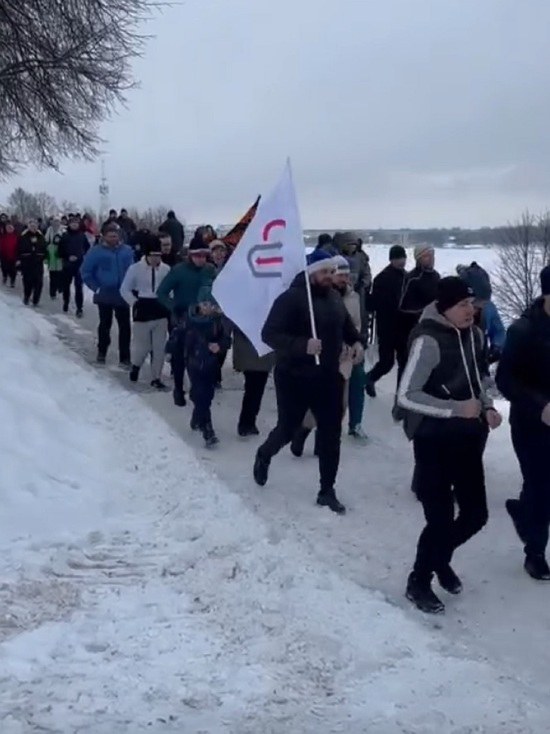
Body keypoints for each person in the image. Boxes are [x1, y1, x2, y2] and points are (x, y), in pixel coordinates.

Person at [397, 276, 502, 614]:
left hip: (469, 438)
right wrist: (456, 409)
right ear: (445, 308)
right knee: (440, 519)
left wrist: (485, 406)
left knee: (476, 515)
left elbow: (477, 378)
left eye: (472, 304)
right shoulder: (428, 340)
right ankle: (419, 579)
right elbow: (406, 396)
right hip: (434, 441)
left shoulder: (473, 335)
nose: (470, 310)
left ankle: (439, 558)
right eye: (462, 305)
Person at [252, 249, 363, 515]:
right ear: (311, 272)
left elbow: (349, 329)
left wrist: (357, 343)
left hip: (328, 376)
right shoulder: (291, 298)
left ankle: (327, 490)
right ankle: (265, 454)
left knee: (331, 433)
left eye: (331, 272)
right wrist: (303, 345)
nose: (329, 276)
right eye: (324, 272)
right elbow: (269, 333)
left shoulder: (335, 298)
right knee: (288, 428)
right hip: (294, 376)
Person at [496, 266, 550, 581]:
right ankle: (535, 554)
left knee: (540, 488)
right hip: (531, 422)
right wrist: (539, 405)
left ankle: (522, 510)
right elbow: (504, 378)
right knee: (541, 484)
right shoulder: (524, 330)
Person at [291, 254, 368, 457]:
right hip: (322, 359)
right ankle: (303, 431)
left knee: (338, 407)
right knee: (319, 405)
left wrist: (359, 344)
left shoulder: (354, 297)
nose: (344, 279)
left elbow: (358, 325)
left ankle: (323, 443)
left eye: (346, 275)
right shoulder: (316, 298)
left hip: (345, 360)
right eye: (339, 274)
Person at [156, 237, 215, 407]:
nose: (201, 259)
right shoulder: (178, 271)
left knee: (201, 357)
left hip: (204, 319)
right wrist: (174, 308)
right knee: (180, 356)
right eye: (198, 256)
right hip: (182, 318)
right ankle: (178, 388)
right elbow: (161, 293)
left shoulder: (210, 270)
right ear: (190, 255)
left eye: (204, 256)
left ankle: (198, 390)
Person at [120, 235, 171, 389]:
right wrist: (134, 303)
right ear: (147, 255)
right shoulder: (135, 269)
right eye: (153, 256)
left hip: (160, 309)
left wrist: (170, 303)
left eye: (158, 256)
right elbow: (124, 289)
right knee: (142, 346)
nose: (156, 259)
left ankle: (156, 377)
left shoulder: (166, 269)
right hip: (142, 308)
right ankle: (136, 366)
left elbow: (170, 290)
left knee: (159, 347)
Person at [80, 222, 134, 365]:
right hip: (104, 294)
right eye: (110, 236)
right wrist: (96, 287)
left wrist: (132, 287)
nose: (114, 239)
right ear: (104, 236)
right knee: (105, 324)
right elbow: (85, 272)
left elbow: (133, 269)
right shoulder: (95, 252)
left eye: (115, 236)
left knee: (125, 326)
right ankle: (102, 351)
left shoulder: (127, 251)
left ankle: (125, 356)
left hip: (123, 294)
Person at [186, 286, 230, 447]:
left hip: (211, 364)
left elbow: (226, 340)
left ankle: (197, 417)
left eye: (211, 305)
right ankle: (208, 430)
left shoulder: (217, 322)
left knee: (207, 395)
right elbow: (178, 338)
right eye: (204, 304)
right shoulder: (190, 319)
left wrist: (219, 346)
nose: (207, 308)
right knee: (200, 394)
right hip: (194, 363)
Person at [364, 245, 408, 397]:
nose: (401, 261)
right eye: (397, 258)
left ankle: (401, 394)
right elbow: (374, 303)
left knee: (405, 362)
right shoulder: (382, 278)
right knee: (387, 362)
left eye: (403, 258)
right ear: (391, 260)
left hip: (403, 326)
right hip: (386, 326)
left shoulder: (407, 277)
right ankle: (369, 378)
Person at [458, 262, 505, 366]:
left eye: (483, 304)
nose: (479, 308)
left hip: (481, 364)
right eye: (475, 304)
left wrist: (497, 346)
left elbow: (499, 331)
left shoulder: (488, 308)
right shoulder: (451, 312)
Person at [232, 326, 275, 437]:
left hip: (252, 354)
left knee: (253, 390)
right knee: (255, 390)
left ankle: (247, 422)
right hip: (259, 354)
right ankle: (247, 422)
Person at [58, 215, 89, 316]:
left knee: (79, 287)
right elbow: (59, 251)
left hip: (79, 265)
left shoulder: (82, 236)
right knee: (66, 286)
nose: (75, 225)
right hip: (67, 264)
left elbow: (87, 248)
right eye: (73, 223)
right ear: (69, 224)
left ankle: (79, 308)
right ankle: (66, 302)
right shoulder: (65, 236)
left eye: (76, 223)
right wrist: (67, 256)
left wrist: (81, 256)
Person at [17, 220, 47, 306]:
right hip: (27, 262)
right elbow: (18, 249)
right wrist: (19, 259)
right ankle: (27, 296)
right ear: (28, 227)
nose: (33, 227)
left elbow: (44, 247)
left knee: (39, 282)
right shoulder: (23, 236)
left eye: (35, 226)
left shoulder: (41, 236)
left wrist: (43, 256)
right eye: (31, 226)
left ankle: (36, 299)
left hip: (38, 262)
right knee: (27, 281)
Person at [44, 217, 65, 299]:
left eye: (57, 222)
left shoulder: (63, 230)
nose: (56, 223)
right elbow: (46, 240)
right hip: (51, 250)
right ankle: (52, 292)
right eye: (54, 222)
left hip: (60, 250)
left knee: (60, 271)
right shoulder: (49, 230)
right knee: (52, 273)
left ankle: (60, 287)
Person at [0, 221, 19, 288]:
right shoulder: (3, 236)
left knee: (13, 269)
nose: (9, 229)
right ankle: (5, 276)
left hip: (13, 255)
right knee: (4, 267)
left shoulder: (16, 236)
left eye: (11, 228)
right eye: (8, 228)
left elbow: (18, 246)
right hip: (4, 255)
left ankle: (12, 281)